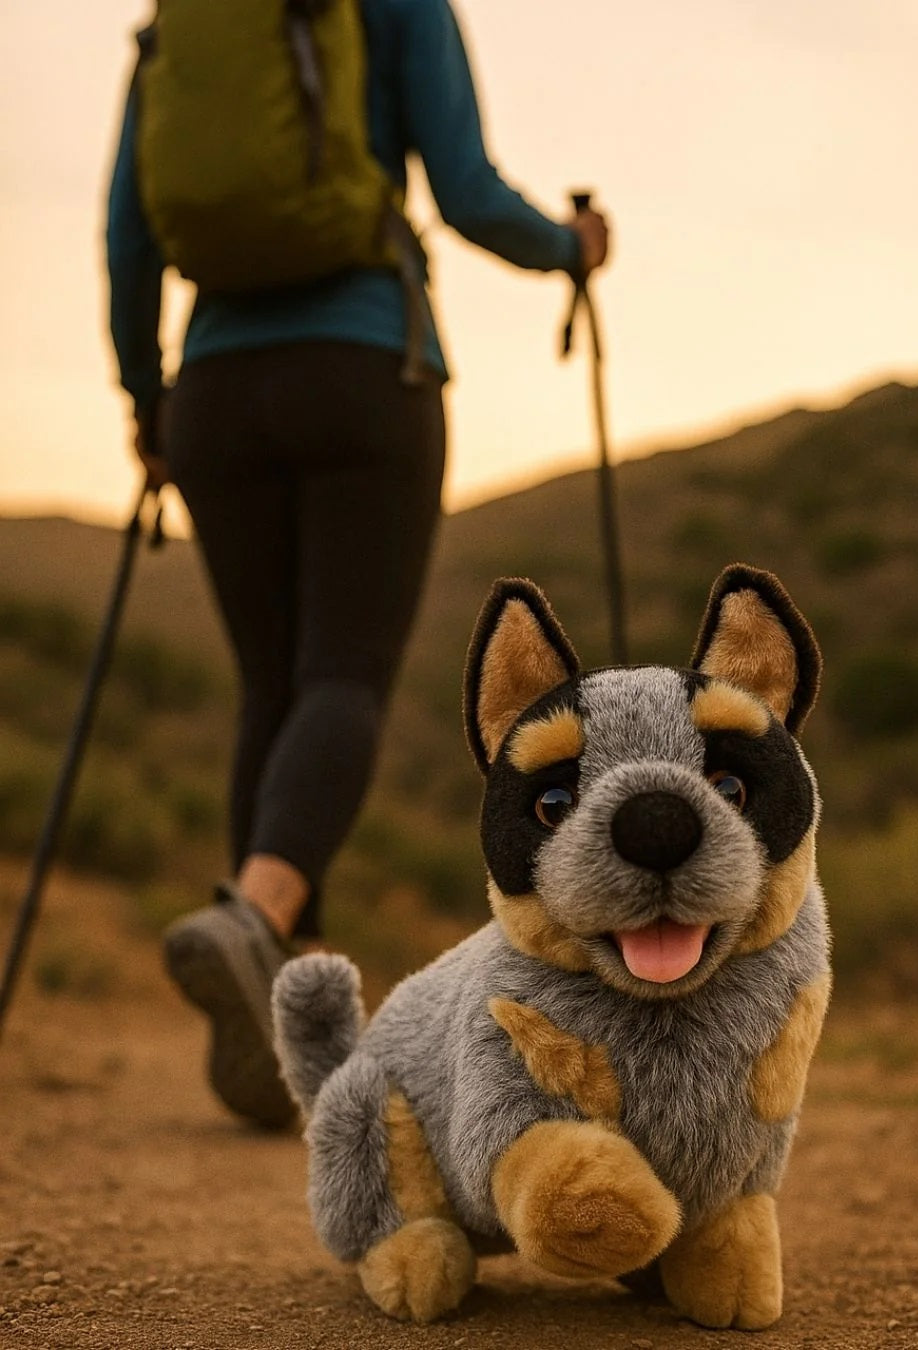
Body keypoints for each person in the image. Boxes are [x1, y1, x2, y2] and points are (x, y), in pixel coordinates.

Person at [106, 0, 610, 1128]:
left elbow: (128, 239)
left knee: (271, 688)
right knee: (343, 674)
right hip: (364, 366)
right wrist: (569, 247)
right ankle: (256, 916)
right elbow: (467, 192)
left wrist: (149, 403)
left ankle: (285, 1016)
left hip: (216, 391)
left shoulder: (180, 27)